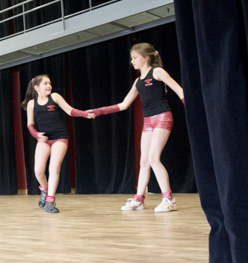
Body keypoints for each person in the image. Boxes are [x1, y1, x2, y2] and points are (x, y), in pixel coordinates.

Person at [91, 43, 184, 212]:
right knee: (144, 161)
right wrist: (99, 111)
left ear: (146, 57)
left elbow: (179, 91)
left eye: (135, 58)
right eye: (131, 58)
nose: (132, 61)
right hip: (148, 121)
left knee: (154, 158)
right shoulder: (137, 81)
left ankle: (169, 199)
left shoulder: (157, 72)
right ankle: (139, 199)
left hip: (162, 117)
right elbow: (123, 104)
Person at [21, 75, 95, 213]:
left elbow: (70, 111)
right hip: (44, 139)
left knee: (54, 168)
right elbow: (30, 124)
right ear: (36, 87)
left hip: (59, 137)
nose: (49, 86)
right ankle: (45, 189)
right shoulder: (31, 103)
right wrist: (36, 134)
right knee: (38, 171)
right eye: (45, 83)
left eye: (49, 83)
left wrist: (84, 114)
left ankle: (50, 200)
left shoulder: (54, 97)